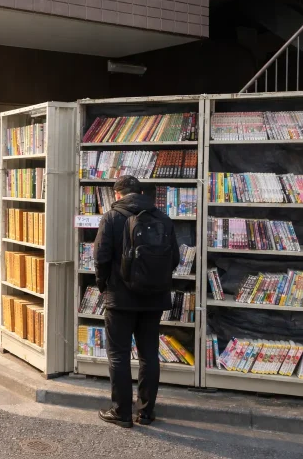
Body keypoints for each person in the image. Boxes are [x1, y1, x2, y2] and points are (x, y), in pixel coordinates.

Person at [93, 175, 180, 428]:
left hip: (120, 298)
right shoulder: (162, 218)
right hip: (154, 298)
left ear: (117, 194)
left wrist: (104, 286)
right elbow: (174, 258)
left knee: (119, 355)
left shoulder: (111, 218)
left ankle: (121, 413)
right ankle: (146, 412)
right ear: (141, 193)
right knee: (149, 355)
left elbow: (100, 257)